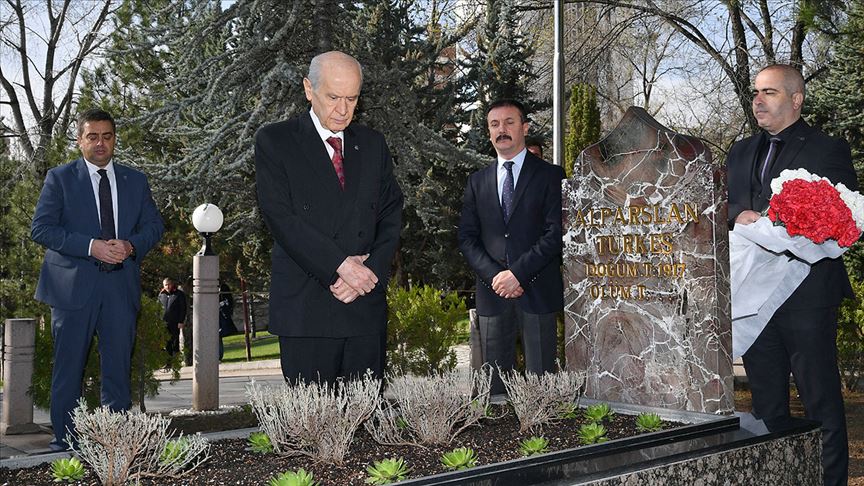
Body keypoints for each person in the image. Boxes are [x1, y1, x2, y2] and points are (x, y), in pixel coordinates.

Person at [727, 64, 855, 486]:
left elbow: (844, 214)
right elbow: (721, 203)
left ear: (796, 99)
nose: (758, 100)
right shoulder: (740, 151)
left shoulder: (827, 149)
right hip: (754, 300)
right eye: (756, 93)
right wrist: (738, 214)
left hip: (807, 296)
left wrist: (790, 224)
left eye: (770, 92)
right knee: (766, 406)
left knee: (820, 401)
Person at [254, 51, 403, 385]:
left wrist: (369, 272)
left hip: (363, 304)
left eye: (352, 99)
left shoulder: (372, 144)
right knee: (313, 414)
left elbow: (391, 213)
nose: (343, 109)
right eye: (333, 97)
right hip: (307, 309)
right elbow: (281, 218)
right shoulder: (276, 141)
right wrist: (341, 266)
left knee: (365, 411)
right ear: (309, 89)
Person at [31, 109, 164, 450]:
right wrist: (92, 247)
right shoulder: (60, 178)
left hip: (120, 287)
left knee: (118, 370)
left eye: (107, 136)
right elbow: (41, 229)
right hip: (71, 290)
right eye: (92, 137)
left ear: (114, 139)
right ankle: (65, 441)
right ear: (80, 141)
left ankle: (114, 440)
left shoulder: (136, 180)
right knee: (68, 370)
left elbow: (154, 226)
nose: (100, 143)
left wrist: (131, 245)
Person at [457, 99, 565, 396]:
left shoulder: (551, 176)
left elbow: (555, 233)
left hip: (537, 291)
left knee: (542, 389)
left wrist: (517, 274)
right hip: (493, 295)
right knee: (494, 391)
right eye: (494, 124)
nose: (501, 130)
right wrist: (496, 277)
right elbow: (467, 238)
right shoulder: (477, 182)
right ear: (488, 132)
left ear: (524, 127)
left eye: (509, 122)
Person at [158, 277, 187, 358]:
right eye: (165, 285)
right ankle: (168, 360)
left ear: (172, 284)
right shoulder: (161, 294)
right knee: (166, 341)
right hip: (164, 322)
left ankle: (175, 359)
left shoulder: (179, 294)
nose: (167, 286)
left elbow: (183, 308)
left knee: (175, 341)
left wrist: (181, 321)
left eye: (169, 284)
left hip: (175, 322)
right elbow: (158, 307)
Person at [218, 282, 236, 361]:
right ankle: (219, 355)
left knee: (218, 337)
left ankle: (219, 355)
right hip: (220, 318)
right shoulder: (225, 298)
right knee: (218, 337)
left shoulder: (224, 297)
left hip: (221, 319)